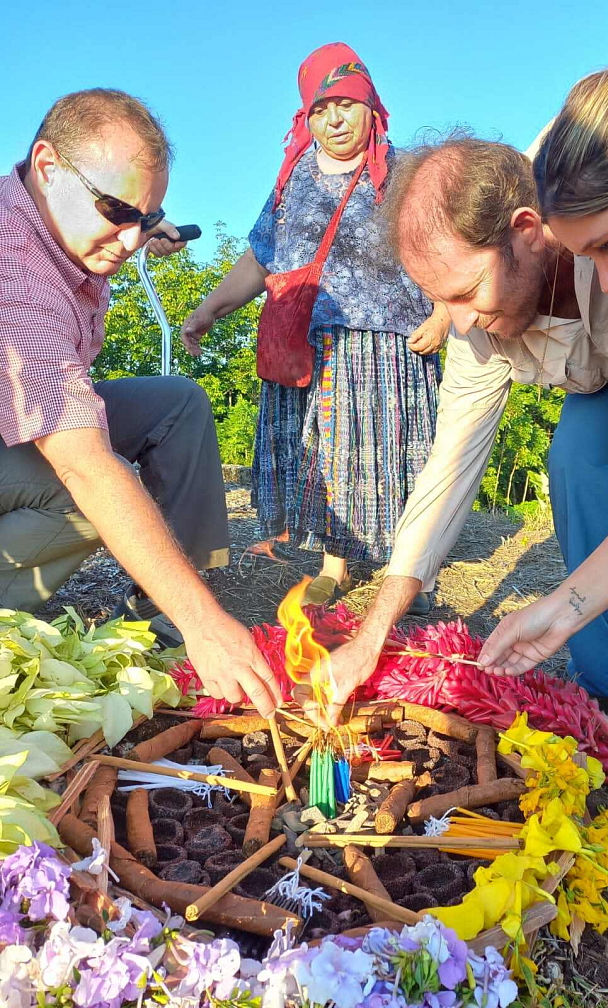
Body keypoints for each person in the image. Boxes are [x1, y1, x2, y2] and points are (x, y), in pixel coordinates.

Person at [295, 135, 608, 795]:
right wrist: (374, 631)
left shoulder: (602, 211)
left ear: (528, 231)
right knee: (575, 466)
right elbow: (449, 468)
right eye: (441, 302)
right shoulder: (479, 328)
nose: (459, 325)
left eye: (466, 291)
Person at [0, 88, 281, 717]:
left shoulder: (61, 221)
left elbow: (118, 219)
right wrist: (205, 623)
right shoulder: (13, 269)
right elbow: (85, 465)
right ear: (47, 167)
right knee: (90, 485)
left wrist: (141, 221)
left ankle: (171, 597)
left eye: (146, 219)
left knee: (177, 402)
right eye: (118, 211)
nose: (130, 240)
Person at [181, 43, 447, 612]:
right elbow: (263, 255)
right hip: (305, 341)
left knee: (394, 454)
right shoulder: (294, 176)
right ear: (306, 117)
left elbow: (443, 245)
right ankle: (335, 566)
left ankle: (411, 572)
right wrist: (209, 309)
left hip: (386, 345)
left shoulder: (404, 172)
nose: (335, 120)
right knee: (326, 458)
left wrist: (445, 311)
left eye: (346, 105)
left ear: (370, 106)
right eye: (320, 109)